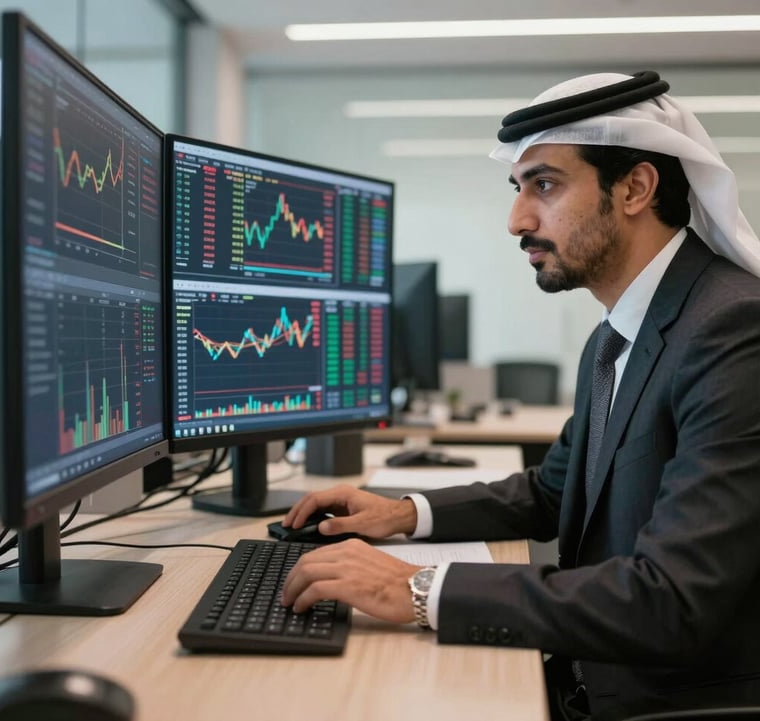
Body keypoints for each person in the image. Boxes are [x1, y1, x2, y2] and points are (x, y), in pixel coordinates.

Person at [281, 71, 760, 721]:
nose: (517, 220)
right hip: (595, 670)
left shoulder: (733, 330)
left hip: (667, 699)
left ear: (636, 187)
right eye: (518, 188)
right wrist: (399, 513)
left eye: (545, 184)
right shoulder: (619, 333)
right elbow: (553, 491)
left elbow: (671, 600)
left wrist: (420, 588)